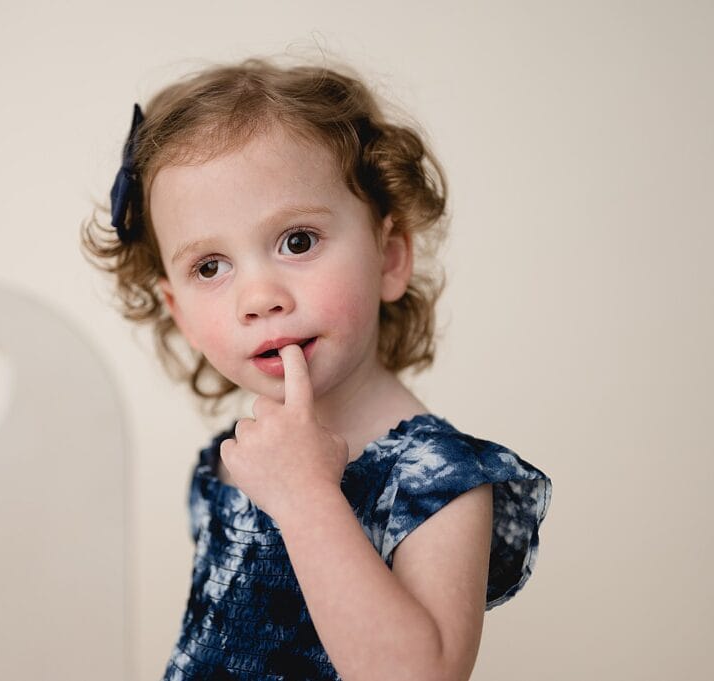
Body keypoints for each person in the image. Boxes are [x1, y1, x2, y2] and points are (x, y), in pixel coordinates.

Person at [81, 56, 553, 681]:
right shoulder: (230, 462)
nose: (259, 297)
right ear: (181, 314)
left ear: (389, 256)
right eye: (210, 267)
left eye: (297, 241)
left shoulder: (438, 479)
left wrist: (306, 496)